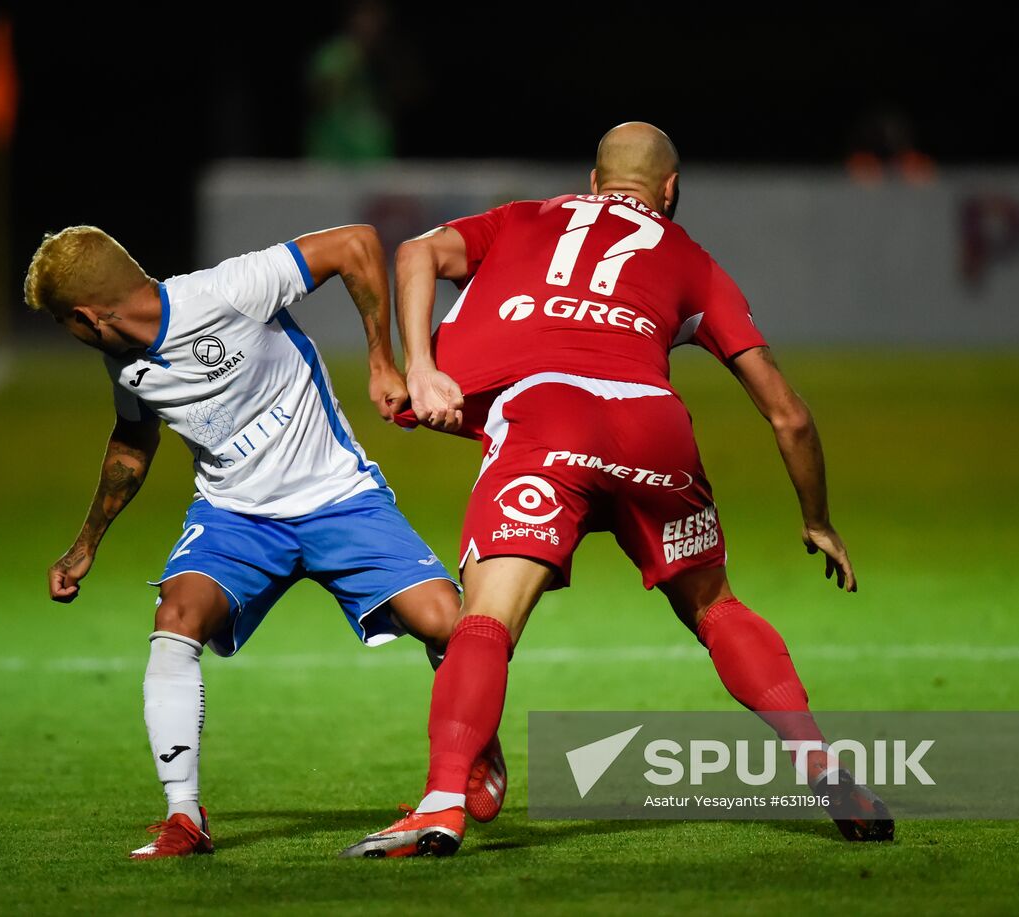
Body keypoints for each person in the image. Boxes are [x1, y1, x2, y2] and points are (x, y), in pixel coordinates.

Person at [341, 123, 892, 859]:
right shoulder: (692, 258)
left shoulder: (523, 217)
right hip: (651, 424)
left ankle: (442, 802)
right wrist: (816, 518)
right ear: (670, 192)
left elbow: (414, 252)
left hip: (546, 414)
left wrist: (421, 367)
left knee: (488, 620)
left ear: (593, 180)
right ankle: (825, 770)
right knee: (716, 606)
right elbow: (788, 412)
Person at [22, 223, 503, 859]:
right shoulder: (126, 361)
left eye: (63, 323)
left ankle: (473, 755)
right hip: (235, 518)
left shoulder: (226, 291)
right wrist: (87, 543)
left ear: (86, 316)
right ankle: (183, 817)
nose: (69, 335)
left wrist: (381, 361)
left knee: (450, 622)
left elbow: (355, 244)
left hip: (338, 497)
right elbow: (133, 440)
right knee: (176, 617)